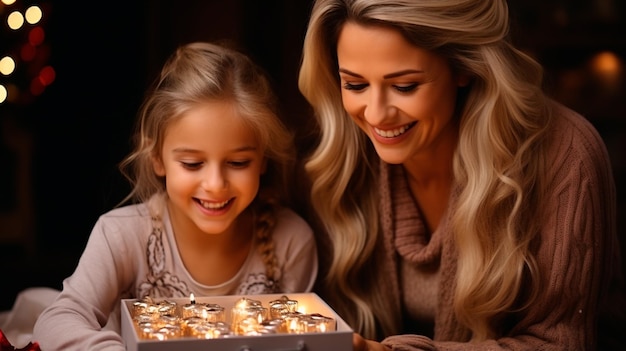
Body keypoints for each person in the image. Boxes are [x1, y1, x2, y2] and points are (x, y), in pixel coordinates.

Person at [297, 0, 626, 350]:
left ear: (464, 67)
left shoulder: (566, 154)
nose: (376, 114)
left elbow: (559, 344)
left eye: (405, 86)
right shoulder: (336, 159)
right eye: (355, 85)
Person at [32, 41, 317, 350]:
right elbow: (57, 321)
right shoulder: (121, 235)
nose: (215, 184)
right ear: (157, 158)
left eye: (238, 163)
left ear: (262, 159)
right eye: (192, 164)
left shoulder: (291, 242)